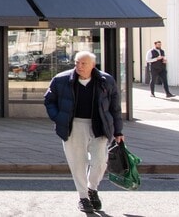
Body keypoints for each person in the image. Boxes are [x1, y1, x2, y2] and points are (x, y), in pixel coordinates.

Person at [44, 51, 124, 214]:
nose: (79, 66)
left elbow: (115, 107)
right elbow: (49, 100)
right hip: (74, 126)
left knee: (100, 162)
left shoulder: (106, 80)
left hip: (99, 126)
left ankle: (92, 188)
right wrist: (59, 118)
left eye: (83, 63)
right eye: (77, 63)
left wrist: (118, 131)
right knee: (78, 163)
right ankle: (83, 197)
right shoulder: (61, 79)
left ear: (93, 65)